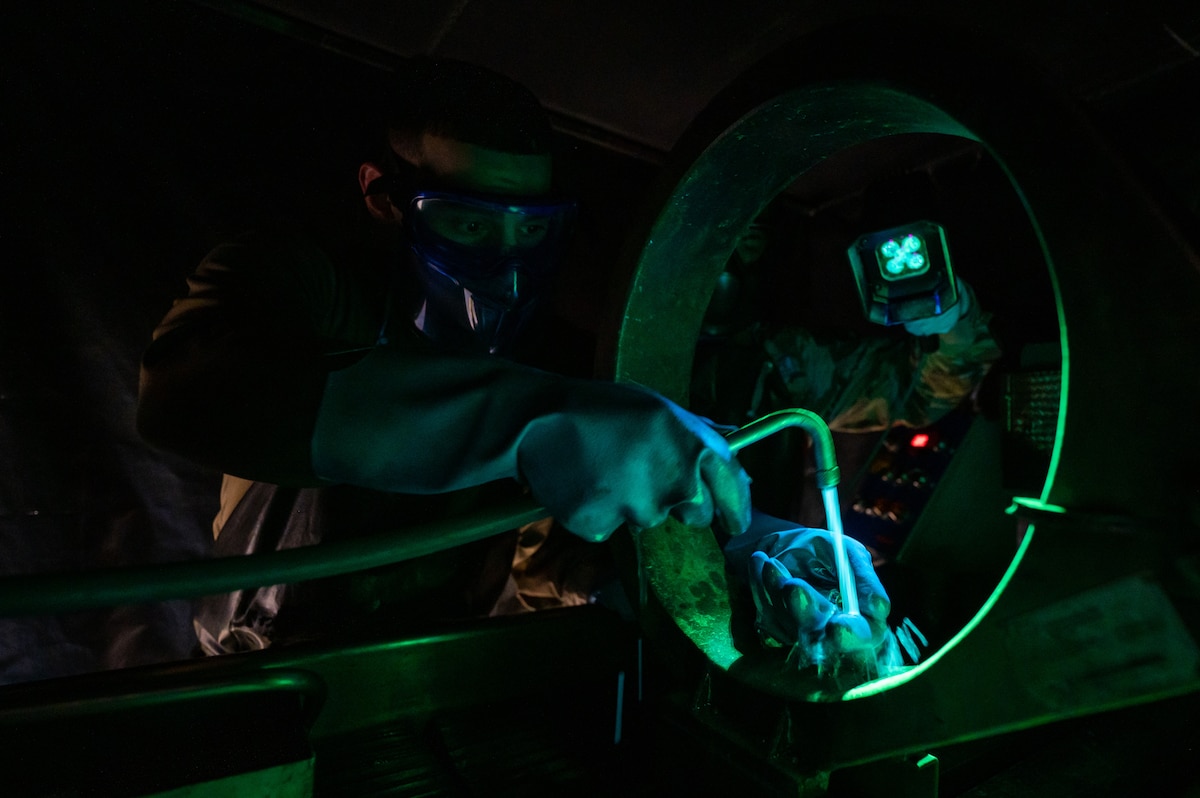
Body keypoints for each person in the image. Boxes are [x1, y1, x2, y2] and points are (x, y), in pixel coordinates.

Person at [136, 58, 889, 676]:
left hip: (436, 670)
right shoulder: (301, 281)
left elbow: (550, 554)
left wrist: (741, 547)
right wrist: (525, 420)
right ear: (382, 195)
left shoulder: (540, 349)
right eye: (466, 220)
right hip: (264, 667)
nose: (502, 263)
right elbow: (189, 398)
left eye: (528, 228)